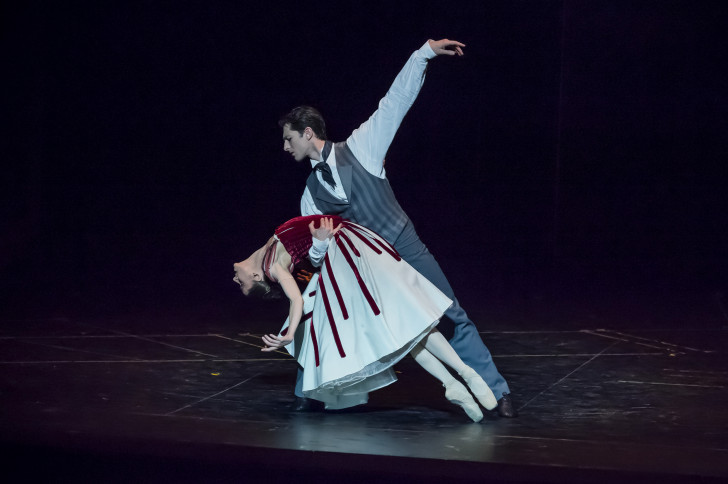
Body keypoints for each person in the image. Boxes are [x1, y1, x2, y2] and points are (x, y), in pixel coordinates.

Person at [278, 38, 517, 417]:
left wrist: (423, 54)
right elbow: (314, 257)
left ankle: (496, 389)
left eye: (289, 138)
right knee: (320, 305)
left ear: (308, 133)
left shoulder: (361, 147)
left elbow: (394, 103)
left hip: (405, 247)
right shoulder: (310, 195)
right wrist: (312, 258)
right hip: (372, 268)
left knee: (451, 314)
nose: (285, 147)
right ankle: (310, 389)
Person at [233, 215, 498, 422]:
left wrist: (318, 245)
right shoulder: (273, 267)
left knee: (404, 324)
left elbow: (309, 254)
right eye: (243, 285)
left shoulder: (267, 248)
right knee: (407, 320)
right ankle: (462, 375)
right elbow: (297, 299)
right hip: (349, 252)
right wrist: (290, 333)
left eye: (239, 283)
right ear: (257, 277)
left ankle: (454, 382)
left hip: (352, 247)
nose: (236, 280)